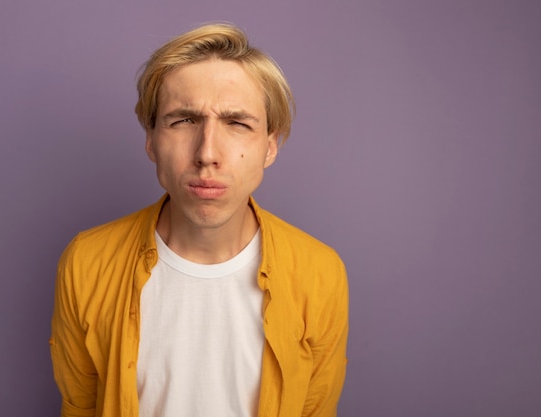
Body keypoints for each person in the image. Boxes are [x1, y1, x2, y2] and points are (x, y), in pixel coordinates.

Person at [50, 23, 349, 417]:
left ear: (270, 146)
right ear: (151, 139)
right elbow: (81, 408)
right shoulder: (87, 262)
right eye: (183, 120)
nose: (207, 153)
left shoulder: (320, 274)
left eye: (237, 123)